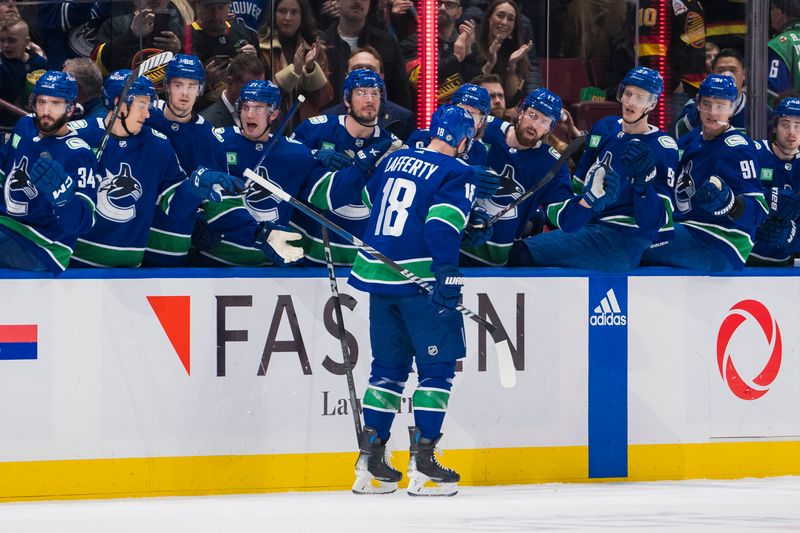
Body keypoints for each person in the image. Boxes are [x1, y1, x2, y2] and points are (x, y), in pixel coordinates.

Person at [348, 105, 477, 497]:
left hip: (379, 278)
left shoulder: (397, 158)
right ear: (464, 140)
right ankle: (423, 466)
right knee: (437, 370)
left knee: (387, 370)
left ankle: (370, 465)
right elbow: (440, 225)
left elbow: (372, 204)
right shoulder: (458, 171)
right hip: (419, 281)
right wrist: (447, 274)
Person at [192, 79, 389, 266]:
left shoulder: (295, 153)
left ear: (274, 113)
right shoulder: (218, 141)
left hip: (270, 266)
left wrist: (359, 170)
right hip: (216, 262)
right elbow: (196, 185)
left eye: (258, 108)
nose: (249, 115)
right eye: (245, 108)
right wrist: (196, 216)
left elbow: (325, 195)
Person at [508, 67, 678, 272]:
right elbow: (578, 188)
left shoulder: (663, 147)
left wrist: (644, 189)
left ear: (652, 103)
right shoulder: (605, 127)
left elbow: (656, 223)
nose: (631, 102)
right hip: (588, 229)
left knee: (521, 253)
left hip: (621, 240)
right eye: (628, 93)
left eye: (640, 97)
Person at [68, 70, 240, 267]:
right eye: (142, 106)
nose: (147, 114)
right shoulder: (80, 135)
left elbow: (173, 204)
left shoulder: (157, 145)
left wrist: (194, 188)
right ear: (119, 104)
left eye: (149, 106)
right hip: (74, 267)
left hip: (131, 271)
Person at [641, 75, 767, 271]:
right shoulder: (691, 140)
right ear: (697, 104)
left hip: (721, 241)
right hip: (691, 229)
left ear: (732, 109)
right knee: (632, 231)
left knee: (635, 242)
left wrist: (733, 205)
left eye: (721, 106)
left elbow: (758, 210)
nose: (712, 112)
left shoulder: (737, 147)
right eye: (707, 104)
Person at [288, 68, 401, 266]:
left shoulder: (391, 146)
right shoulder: (315, 129)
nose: (370, 99)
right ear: (347, 101)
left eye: (375, 93)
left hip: (363, 255)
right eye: (361, 93)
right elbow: (284, 166)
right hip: (310, 249)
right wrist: (312, 155)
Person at [461, 88, 576, 267]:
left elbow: (565, 217)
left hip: (494, 259)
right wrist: (464, 174)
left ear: (550, 128)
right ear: (521, 112)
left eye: (544, 121)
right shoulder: (487, 128)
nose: (535, 124)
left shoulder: (552, 164)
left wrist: (589, 201)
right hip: (453, 241)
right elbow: (440, 159)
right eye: (532, 115)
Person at [0, 71, 98, 272]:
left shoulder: (78, 153)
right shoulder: (25, 125)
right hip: (7, 227)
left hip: (44, 246)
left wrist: (64, 198)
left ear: (70, 109)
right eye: (42, 101)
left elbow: (83, 223)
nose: (46, 110)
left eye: (56, 103)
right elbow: (4, 168)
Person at [143, 53, 231, 266]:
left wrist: (205, 217)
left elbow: (217, 195)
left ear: (200, 89)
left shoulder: (209, 138)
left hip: (173, 242)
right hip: (132, 237)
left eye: (192, 85)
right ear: (166, 86)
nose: (184, 92)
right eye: (178, 84)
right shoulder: (143, 119)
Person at [321, 0, 412, 111]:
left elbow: (401, 93)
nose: (358, 1)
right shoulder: (321, 44)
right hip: (331, 122)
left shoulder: (386, 42)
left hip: (378, 121)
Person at [257, 0, 332, 130]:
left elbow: (324, 98)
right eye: (282, 11)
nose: (288, 18)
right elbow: (262, 98)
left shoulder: (315, 49)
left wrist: (310, 68)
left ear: (302, 16)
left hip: (306, 130)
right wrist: (294, 71)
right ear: (273, 14)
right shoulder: (261, 49)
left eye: (294, 12)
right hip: (271, 127)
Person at [748, 97, 800, 266]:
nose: (792, 132)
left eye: (798, 126)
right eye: (785, 124)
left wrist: (794, 235)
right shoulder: (752, 152)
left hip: (784, 263)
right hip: (743, 257)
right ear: (775, 127)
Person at [324, 46, 414, 140]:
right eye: (357, 68)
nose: (364, 73)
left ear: (381, 77)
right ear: (347, 76)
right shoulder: (327, 118)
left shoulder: (403, 118)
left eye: (370, 69)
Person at [401, 0, 482, 106]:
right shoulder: (412, 43)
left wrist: (469, 54)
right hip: (423, 115)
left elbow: (477, 85)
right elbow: (420, 79)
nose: (442, 8)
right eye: (438, 3)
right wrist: (456, 58)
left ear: (459, 12)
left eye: (449, 4)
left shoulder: (466, 43)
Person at [674, 48, 754, 139]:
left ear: (744, 74)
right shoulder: (694, 106)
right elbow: (680, 139)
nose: (727, 75)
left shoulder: (759, 110)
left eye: (733, 71)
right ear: (712, 73)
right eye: (720, 71)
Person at [407, 82, 491, 167]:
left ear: (481, 122)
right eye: (460, 110)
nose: (464, 117)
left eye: (471, 113)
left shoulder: (479, 151)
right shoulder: (422, 136)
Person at [92, 0, 184, 74]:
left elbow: (189, 68)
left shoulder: (176, 29)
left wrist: (178, 51)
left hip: (164, 93)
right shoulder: (114, 24)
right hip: (123, 89)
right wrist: (131, 35)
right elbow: (98, 63)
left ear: (168, 1)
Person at [476, 0, 534, 112]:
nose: (504, 22)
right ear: (489, 18)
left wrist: (512, 65)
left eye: (510, 19)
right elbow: (471, 90)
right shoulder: (473, 46)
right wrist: (490, 63)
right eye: (500, 15)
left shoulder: (515, 52)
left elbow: (511, 100)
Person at [0, 13, 48, 124]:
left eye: (12, 41)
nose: (6, 45)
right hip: (5, 123)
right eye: (2, 40)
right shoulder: (1, 65)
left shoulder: (39, 62)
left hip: (35, 121)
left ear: (26, 42)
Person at [200, 52, 265, 127]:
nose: (255, 96)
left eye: (260, 88)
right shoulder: (206, 123)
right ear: (230, 82)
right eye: (250, 90)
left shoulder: (268, 116)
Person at [768, 0, 800, 105]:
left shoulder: (779, 45)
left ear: (778, 12)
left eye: (771, 9)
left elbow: (773, 93)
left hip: (791, 117)